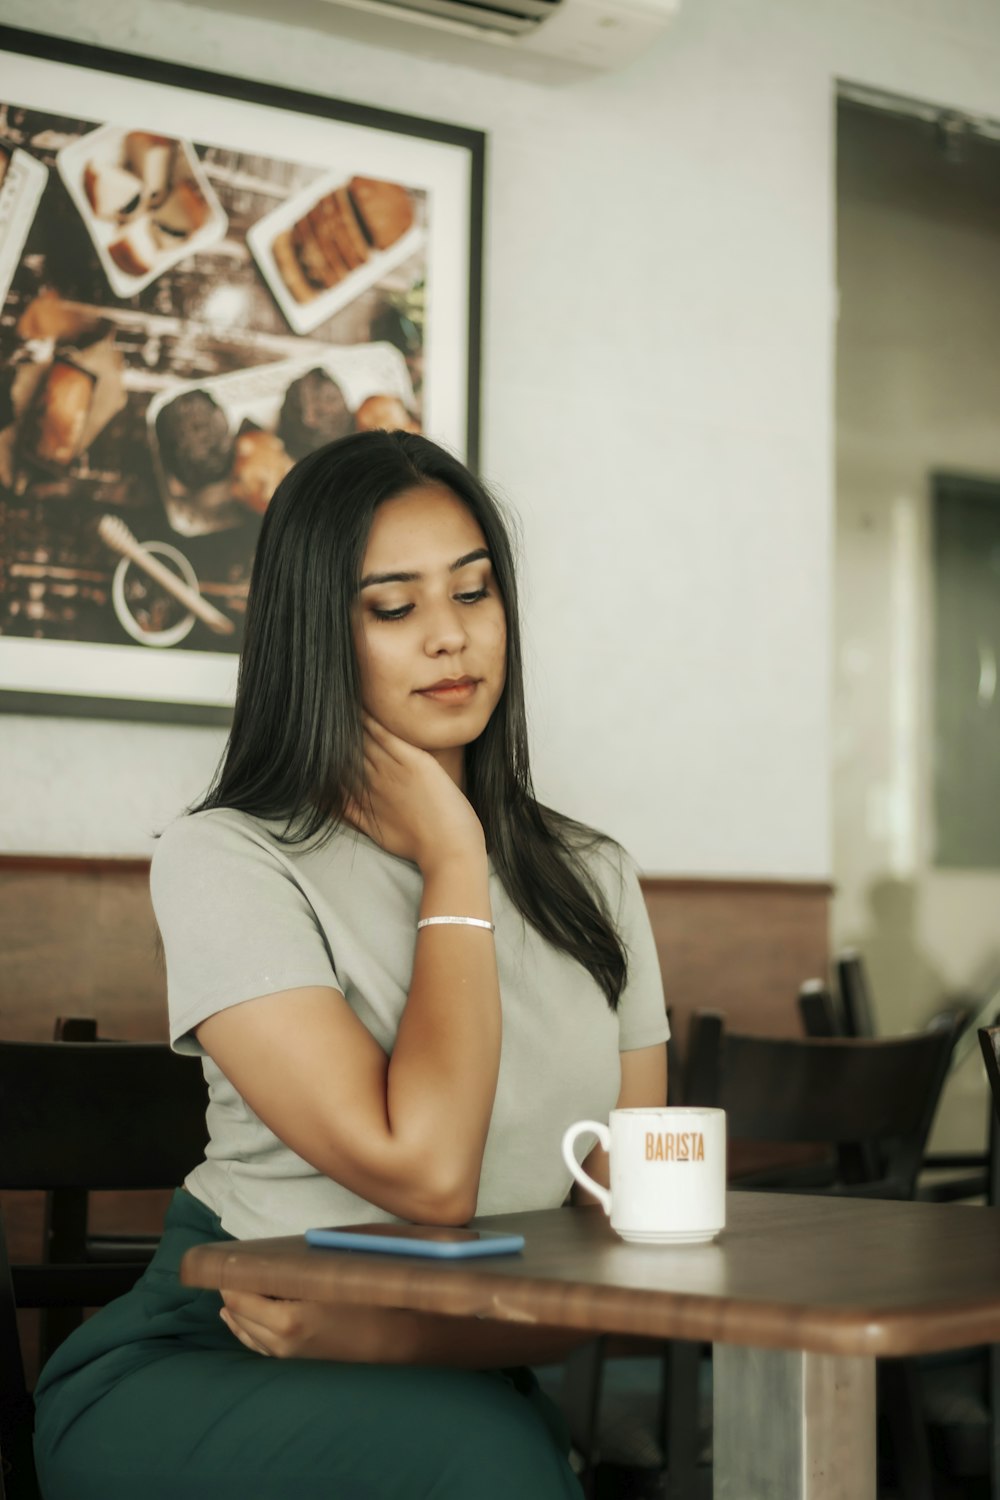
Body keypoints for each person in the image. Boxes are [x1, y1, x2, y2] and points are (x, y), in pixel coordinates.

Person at [33, 431, 669, 1500]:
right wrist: (454, 855)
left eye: (473, 594)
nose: (449, 638)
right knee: (491, 1460)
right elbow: (426, 1174)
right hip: (211, 1357)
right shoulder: (227, 858)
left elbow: (632, 1263)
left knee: (491, 1450)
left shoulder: (592, 878)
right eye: (392, 607)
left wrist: (400, 1341)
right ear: (316, 635)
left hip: (456, 1366)